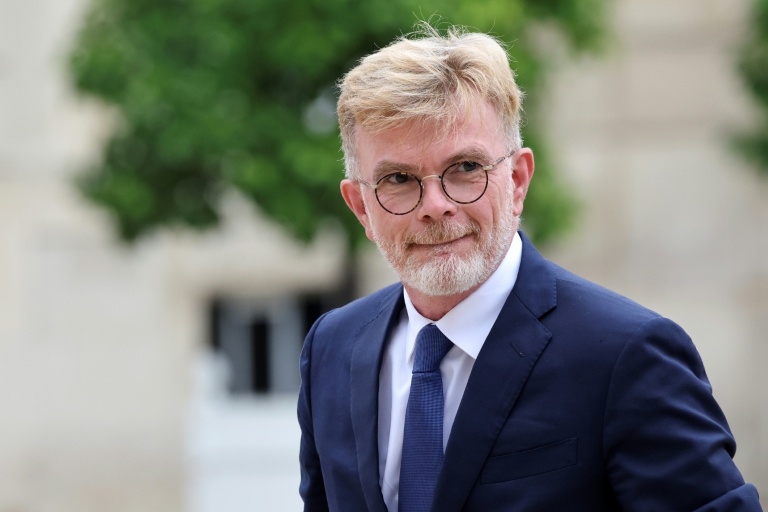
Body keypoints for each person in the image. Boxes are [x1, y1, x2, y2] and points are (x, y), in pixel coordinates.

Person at [297, 24, 763, 512]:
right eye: (397, 178)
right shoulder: (331, 348)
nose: (435, 205)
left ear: (517, 180)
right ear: (360, 208)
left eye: (466, 168)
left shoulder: (627, 356)